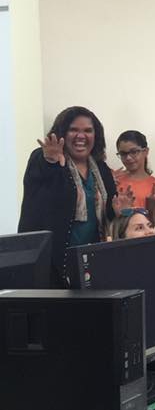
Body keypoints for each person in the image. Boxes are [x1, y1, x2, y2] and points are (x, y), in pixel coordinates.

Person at [19, 106, 118, 286]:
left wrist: (120, 210)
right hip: (50, 266)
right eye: (74, 129)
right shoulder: (45, 158)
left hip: (88, 263)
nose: (81, 136)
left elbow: (107, 215)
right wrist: (49, 160)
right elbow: (38, 175)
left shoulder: (101, 169)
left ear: (96, 136)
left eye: (88, 130)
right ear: (61, 133)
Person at [113, 130, 155, 226]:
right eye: (123, 154)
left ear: (145, 151)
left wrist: (150, 208)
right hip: (118, 237)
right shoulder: (115, 180)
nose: (128, 158)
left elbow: (152, 224)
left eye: (134, 152)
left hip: (143, 237)